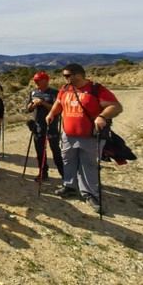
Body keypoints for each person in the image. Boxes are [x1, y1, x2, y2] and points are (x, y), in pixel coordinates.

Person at [46, 63, 123, 213]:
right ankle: (69, 186)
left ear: (78, 75)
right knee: (68, 161)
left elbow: (116, 106)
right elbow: (58, 102)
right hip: (68, 135)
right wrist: (52, 114)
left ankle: (90, 194)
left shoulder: (95, 89)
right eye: (65, 76)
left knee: (88, 165)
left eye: (68, 75)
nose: (65, 78)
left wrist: (102, 116)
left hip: (90, 137)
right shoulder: (65, 89)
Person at [27, 71, 63, 181]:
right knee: (40, 151)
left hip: (51, 126)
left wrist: (42, 103)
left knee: (56, 151)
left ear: (46, 81)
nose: (37, 83)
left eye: (39, 81)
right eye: (35, 81)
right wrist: (33, 104)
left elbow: (57, 109)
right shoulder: (33, 92)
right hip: (37, 127)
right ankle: (43, 173)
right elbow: (28, 109)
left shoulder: (54, 92)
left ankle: (65, 175)